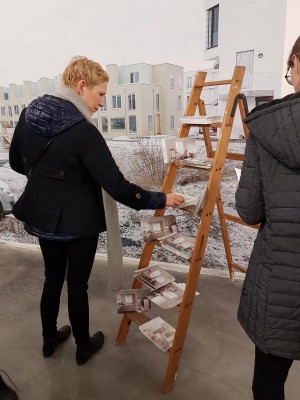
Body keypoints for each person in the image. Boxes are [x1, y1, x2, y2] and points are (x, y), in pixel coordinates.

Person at [9, 56, 184, 365]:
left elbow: (15, 162)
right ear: (81, 86)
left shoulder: (27, 116)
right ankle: (82, 346)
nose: (102, 102)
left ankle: (49, 340)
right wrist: (160, 199)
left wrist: (48, 182)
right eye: (101, 94)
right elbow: (117, 187)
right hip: (78, 224)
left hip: (42, 216)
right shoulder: (83, 132)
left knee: (51, 279)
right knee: (76, 286)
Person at [235, 35, 300, 400]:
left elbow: (248, 210)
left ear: (295, 62)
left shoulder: (266, 128)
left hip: (279, 280)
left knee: (270, 382)